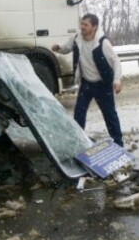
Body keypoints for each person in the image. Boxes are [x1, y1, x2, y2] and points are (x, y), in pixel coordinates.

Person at [52, 14, 124, 147]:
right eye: (82, 24)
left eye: (86, 25)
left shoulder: (102, 42)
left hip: (102, 84)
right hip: (86, 84)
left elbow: (116, 62)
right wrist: (59, 47)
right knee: (79, 112)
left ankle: (119, 143)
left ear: (94, 27)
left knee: (109, 115)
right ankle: (77, 142)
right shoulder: (77, 38)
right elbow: (67, 47)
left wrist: (117, 80)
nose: (82, 27)